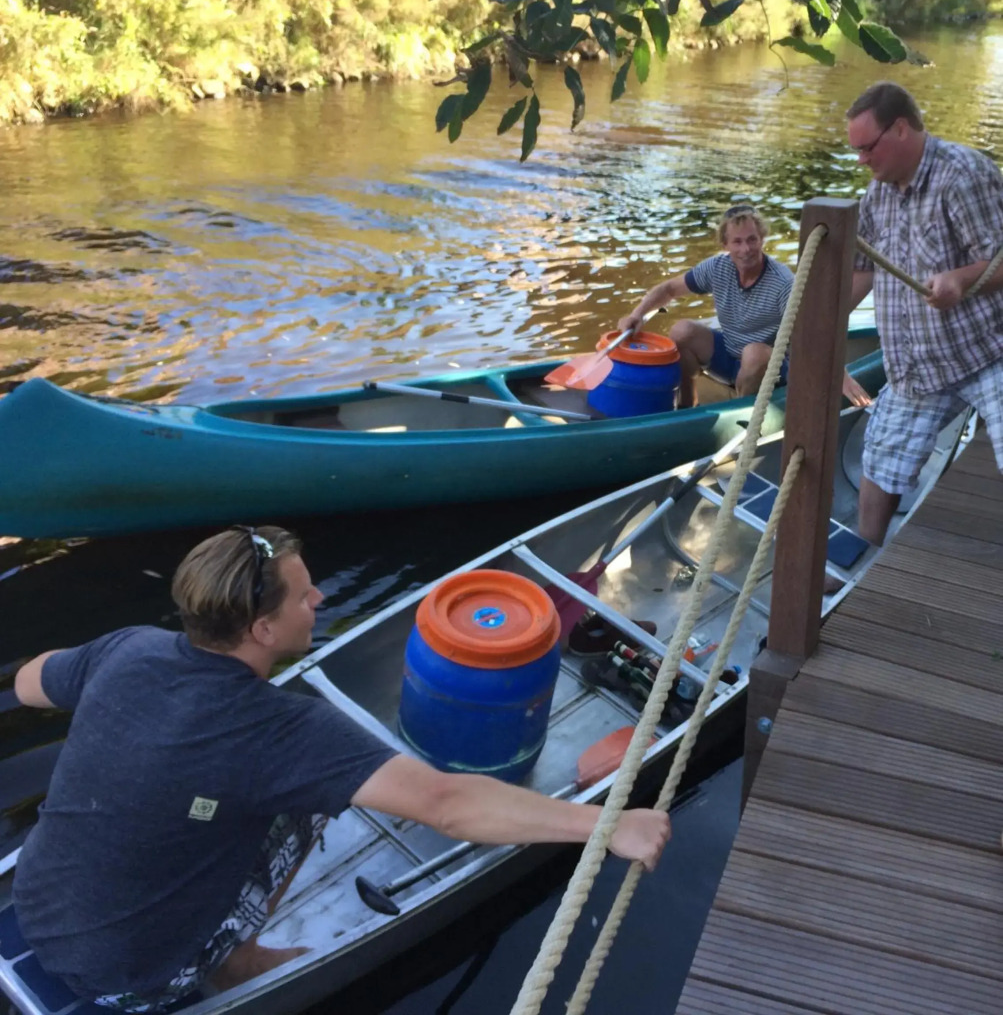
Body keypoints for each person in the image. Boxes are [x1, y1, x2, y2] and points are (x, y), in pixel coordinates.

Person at [12, 526, 670, 1012]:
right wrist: (608, 825)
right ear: (263, 630)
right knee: (311, 799)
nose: (320, 597)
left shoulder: (132, 649)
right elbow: (448, 804)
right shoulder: (285, 732)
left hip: (34, 906)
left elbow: (34, 681)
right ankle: (233, 963)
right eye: (302, 596)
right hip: (131, 978)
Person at [846, 81, 1003, 544]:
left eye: (866, 148)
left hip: (988, 352)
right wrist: (820, 326)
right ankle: (860, 558)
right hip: (919, 366)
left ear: (899, 130)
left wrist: (960, 279)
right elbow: (860, 274)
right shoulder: (876, 198)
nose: (861, 160)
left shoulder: (963, 174)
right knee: (881, 461)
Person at [618, 205, 868, 409]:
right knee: (681, 331)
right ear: (725, 245)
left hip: (772, 368)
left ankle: (740, 413)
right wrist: (637, 314)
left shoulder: (782, 282)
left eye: (752, 240)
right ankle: (686, 407)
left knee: (754, 353)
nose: (746, 249)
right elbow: (669, 289)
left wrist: (839, 374)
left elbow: (810, 333)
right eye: (737, 242)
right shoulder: (717, 267)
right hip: (730, 354)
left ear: (762, 239)